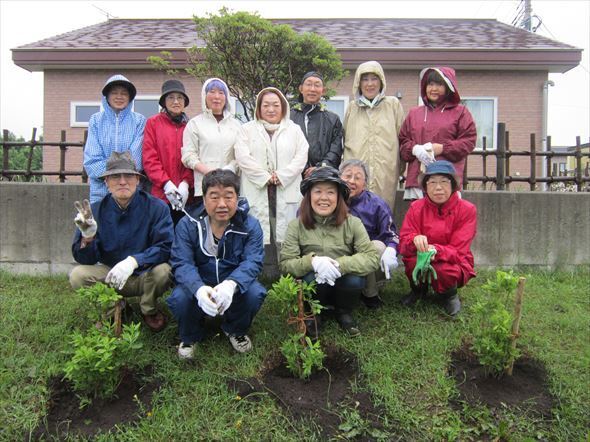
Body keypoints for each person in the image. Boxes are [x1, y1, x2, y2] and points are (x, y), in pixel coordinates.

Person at [166, 169, 266, 358]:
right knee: (179, 298)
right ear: (204, 200)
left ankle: (235, 329)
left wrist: (231, 284)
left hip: (232, 284)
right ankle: (190, 335)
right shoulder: (188, 225)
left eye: (229, 197)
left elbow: (253, 261)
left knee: (255, 293)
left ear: (237, 198)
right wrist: (198, 289)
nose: (222, 204)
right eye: (214, 197)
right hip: (200, 280)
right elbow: (182, 262)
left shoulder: (250, 225)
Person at [70, 151, 174, 332]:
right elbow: (84, 259)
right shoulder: (94, 211)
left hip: (144, 274)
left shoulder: (157, 207)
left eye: (128, 176)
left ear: (138, 180)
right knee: (77, 275)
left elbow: (165, 247)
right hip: (110, 274)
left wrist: (134, 261)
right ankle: (115, 308)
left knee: (165, 270)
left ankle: (147, 308)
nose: (122, 181)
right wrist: (88, 237)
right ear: (106, 182)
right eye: (115, 177)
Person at [280, 167, 380, 337]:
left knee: (354, 280)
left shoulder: (353, 223)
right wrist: (312, 262)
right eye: (318, 191)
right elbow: (285, 264)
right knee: (310, 278)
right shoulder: (296, 226)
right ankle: (313, 314)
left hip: (342, 282)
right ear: (309, 196)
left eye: (331, 193)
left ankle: (343, 311)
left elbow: (372, 257)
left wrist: (340, 265)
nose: (324, 198)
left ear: (339, 197)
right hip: (313, 283)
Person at [398, 161, 477, 316]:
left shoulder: (467, 210)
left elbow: (458, 250)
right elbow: (404, 242)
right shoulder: (416, 207)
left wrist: (435, 250)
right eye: (432, 182)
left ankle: (450, 295)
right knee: (413, 262)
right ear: (425, 186)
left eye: (444, 182)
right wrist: (414, 239)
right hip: (422, 256)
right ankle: (418, 291)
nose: (438, 187)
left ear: (453, 185)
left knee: (444, 270)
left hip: (451, 260)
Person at [234, 87, 309, 246]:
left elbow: (301, 156)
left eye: (275, 105)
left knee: (287, 238)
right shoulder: (246, 129)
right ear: (258, 108)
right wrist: (265, 177)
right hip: (257, 188)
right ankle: (260, 270)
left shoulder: (294, 129)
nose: (271, 109)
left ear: (283, 107)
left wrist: (281, 176)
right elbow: (242, 157)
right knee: (256, 236)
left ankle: (286, 269)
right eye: (266, 105)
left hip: (286, 188)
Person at [399, 67, 477, 200]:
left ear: (448, 86)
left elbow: (468, 141)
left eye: (439, 84)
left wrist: (442, 148)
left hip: (447, 179)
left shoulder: (460, 112)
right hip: (418, 178)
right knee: (419, 218)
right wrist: (414, 149)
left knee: (447, 218)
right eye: (430, 84)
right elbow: (403, 140)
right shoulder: (414, 113)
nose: (433, 88)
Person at [343, 61, 404, 210]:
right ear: (358, 83)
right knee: (355, 214)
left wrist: (399, 169)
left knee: (383, 212)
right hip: (355, 174)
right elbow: (345, 139)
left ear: (381, 81)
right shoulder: (352, 107)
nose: (369, 84)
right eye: (365, 79)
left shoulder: (393, 105)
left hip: (385, 172)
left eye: (374, 78)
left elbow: (402, 139)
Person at [339, 159, 400, 309]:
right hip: (338, 251)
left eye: (358, 177)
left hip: (366, 255)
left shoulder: (377, 204)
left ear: (365, 184)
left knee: (377, 246)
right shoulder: (331, 198)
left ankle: (370, 293)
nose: (352, 181)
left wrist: (391, 249)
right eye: (347, 176)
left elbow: (391, 233)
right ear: (338, 177)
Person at [84, 74, 146, 203]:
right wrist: (117, 172)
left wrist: (114, 171)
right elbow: (92, 162)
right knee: (99, 223)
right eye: (114, 93)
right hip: (100, 191)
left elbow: (136, 161)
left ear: (130, 97)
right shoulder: (96, 120)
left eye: (124, 93)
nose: (119, 97)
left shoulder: (139, 121)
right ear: (106, 97)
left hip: (130, 192)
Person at [181, 78, 241, 208]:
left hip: (230, 185)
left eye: (221, 92)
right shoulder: (195, 124)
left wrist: (230, 168)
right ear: (204, 96)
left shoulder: (236, 125)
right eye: (212, 92)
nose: (216, 97)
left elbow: (241, 154)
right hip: (204, 185)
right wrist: (209, 172)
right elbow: (188, 155)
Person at [142, 79, 193, 225]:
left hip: (186, 197)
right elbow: (150, 158)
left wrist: (185, 183)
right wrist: (166, 184)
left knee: (184, 237)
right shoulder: (153, 123)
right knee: (162, 236)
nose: (176, 101)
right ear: (164, 101)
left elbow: (193, 158)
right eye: (171, 97)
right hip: (160, 194)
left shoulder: (190, 126)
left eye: (180, 98)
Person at [290, 71, 343, 178]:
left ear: (323, 90)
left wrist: (321, 168)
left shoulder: (333, 119)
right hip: (293, 176)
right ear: (301, 89)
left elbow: (336, 149)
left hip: (324, 176)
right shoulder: (289, 117)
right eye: (308, 84)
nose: (312, 89)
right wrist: (302, 168)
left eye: (317, 85)